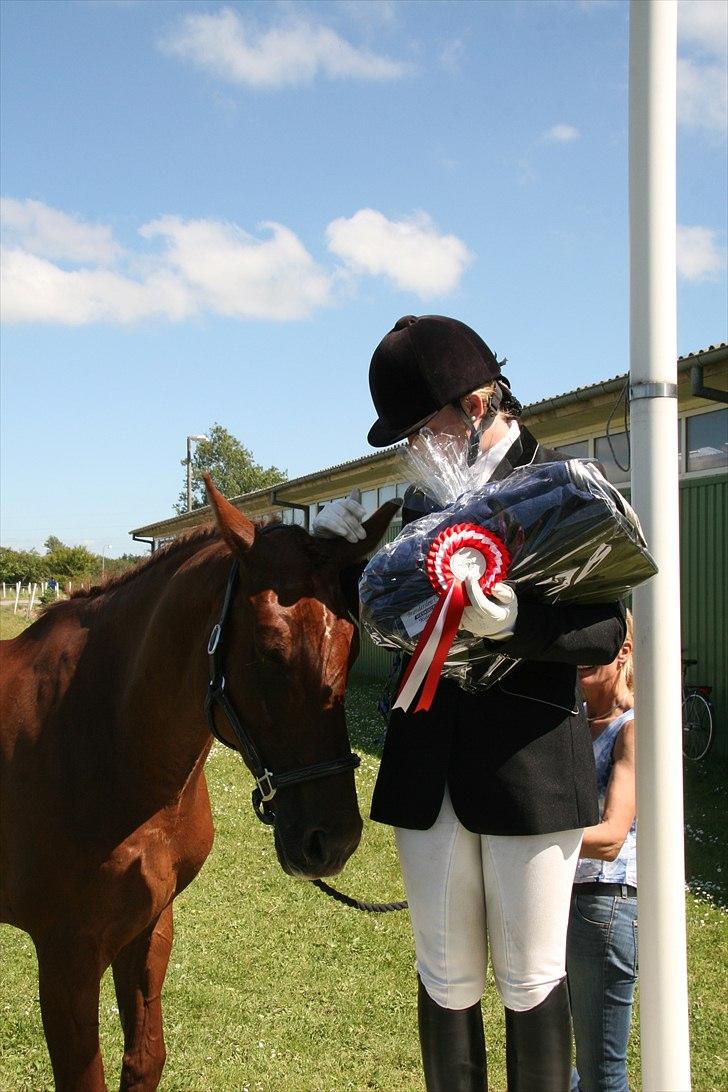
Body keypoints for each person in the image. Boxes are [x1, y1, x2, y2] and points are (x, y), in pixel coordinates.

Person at [314, 315, 626, 1091]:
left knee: (531, 978)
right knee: (445, 974)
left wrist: (516, 622)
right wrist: (336, 563)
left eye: (423, 429)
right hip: (427, 767)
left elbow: (605, 630)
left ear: (477, 404)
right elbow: (386, 619)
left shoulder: (561, 485)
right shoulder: (421, 509)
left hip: (530, 768)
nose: (415, 448)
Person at [567, 611, 637, 1092]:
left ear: (623, 651)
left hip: (604, 905)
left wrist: (531, 840)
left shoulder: (632, 729)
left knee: (601, 1074)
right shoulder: (571, 724)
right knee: (555, 1062)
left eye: (596, 648)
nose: (582, 660)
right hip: (560, 896)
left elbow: (611, 837)